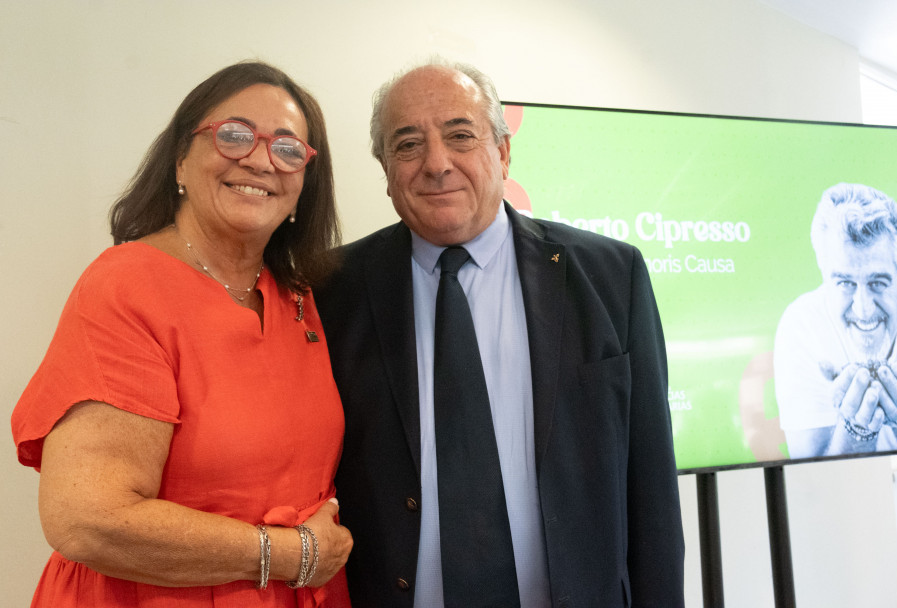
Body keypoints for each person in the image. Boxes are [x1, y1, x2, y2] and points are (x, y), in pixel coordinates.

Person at [314, 60, 684, 607]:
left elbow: (651, 491)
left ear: (504, 151)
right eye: (408, 145)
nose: (437, 164)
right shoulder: (331, 291)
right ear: (386, 169)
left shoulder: (610, 276)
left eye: (460, 135)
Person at [11, 61, 353, 607]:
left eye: (288, 148)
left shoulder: (296, 295)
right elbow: (88, 520)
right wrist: (291, 555)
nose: (261, 160)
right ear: (180, 159)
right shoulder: (128, 287)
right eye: (234, 135)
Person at [775, 182, 897, 458]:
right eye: (845, 283)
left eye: (878, 282)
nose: (862, 309)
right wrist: (855, 432)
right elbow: (812, 477)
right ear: (825, 277)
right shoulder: (801, 326)